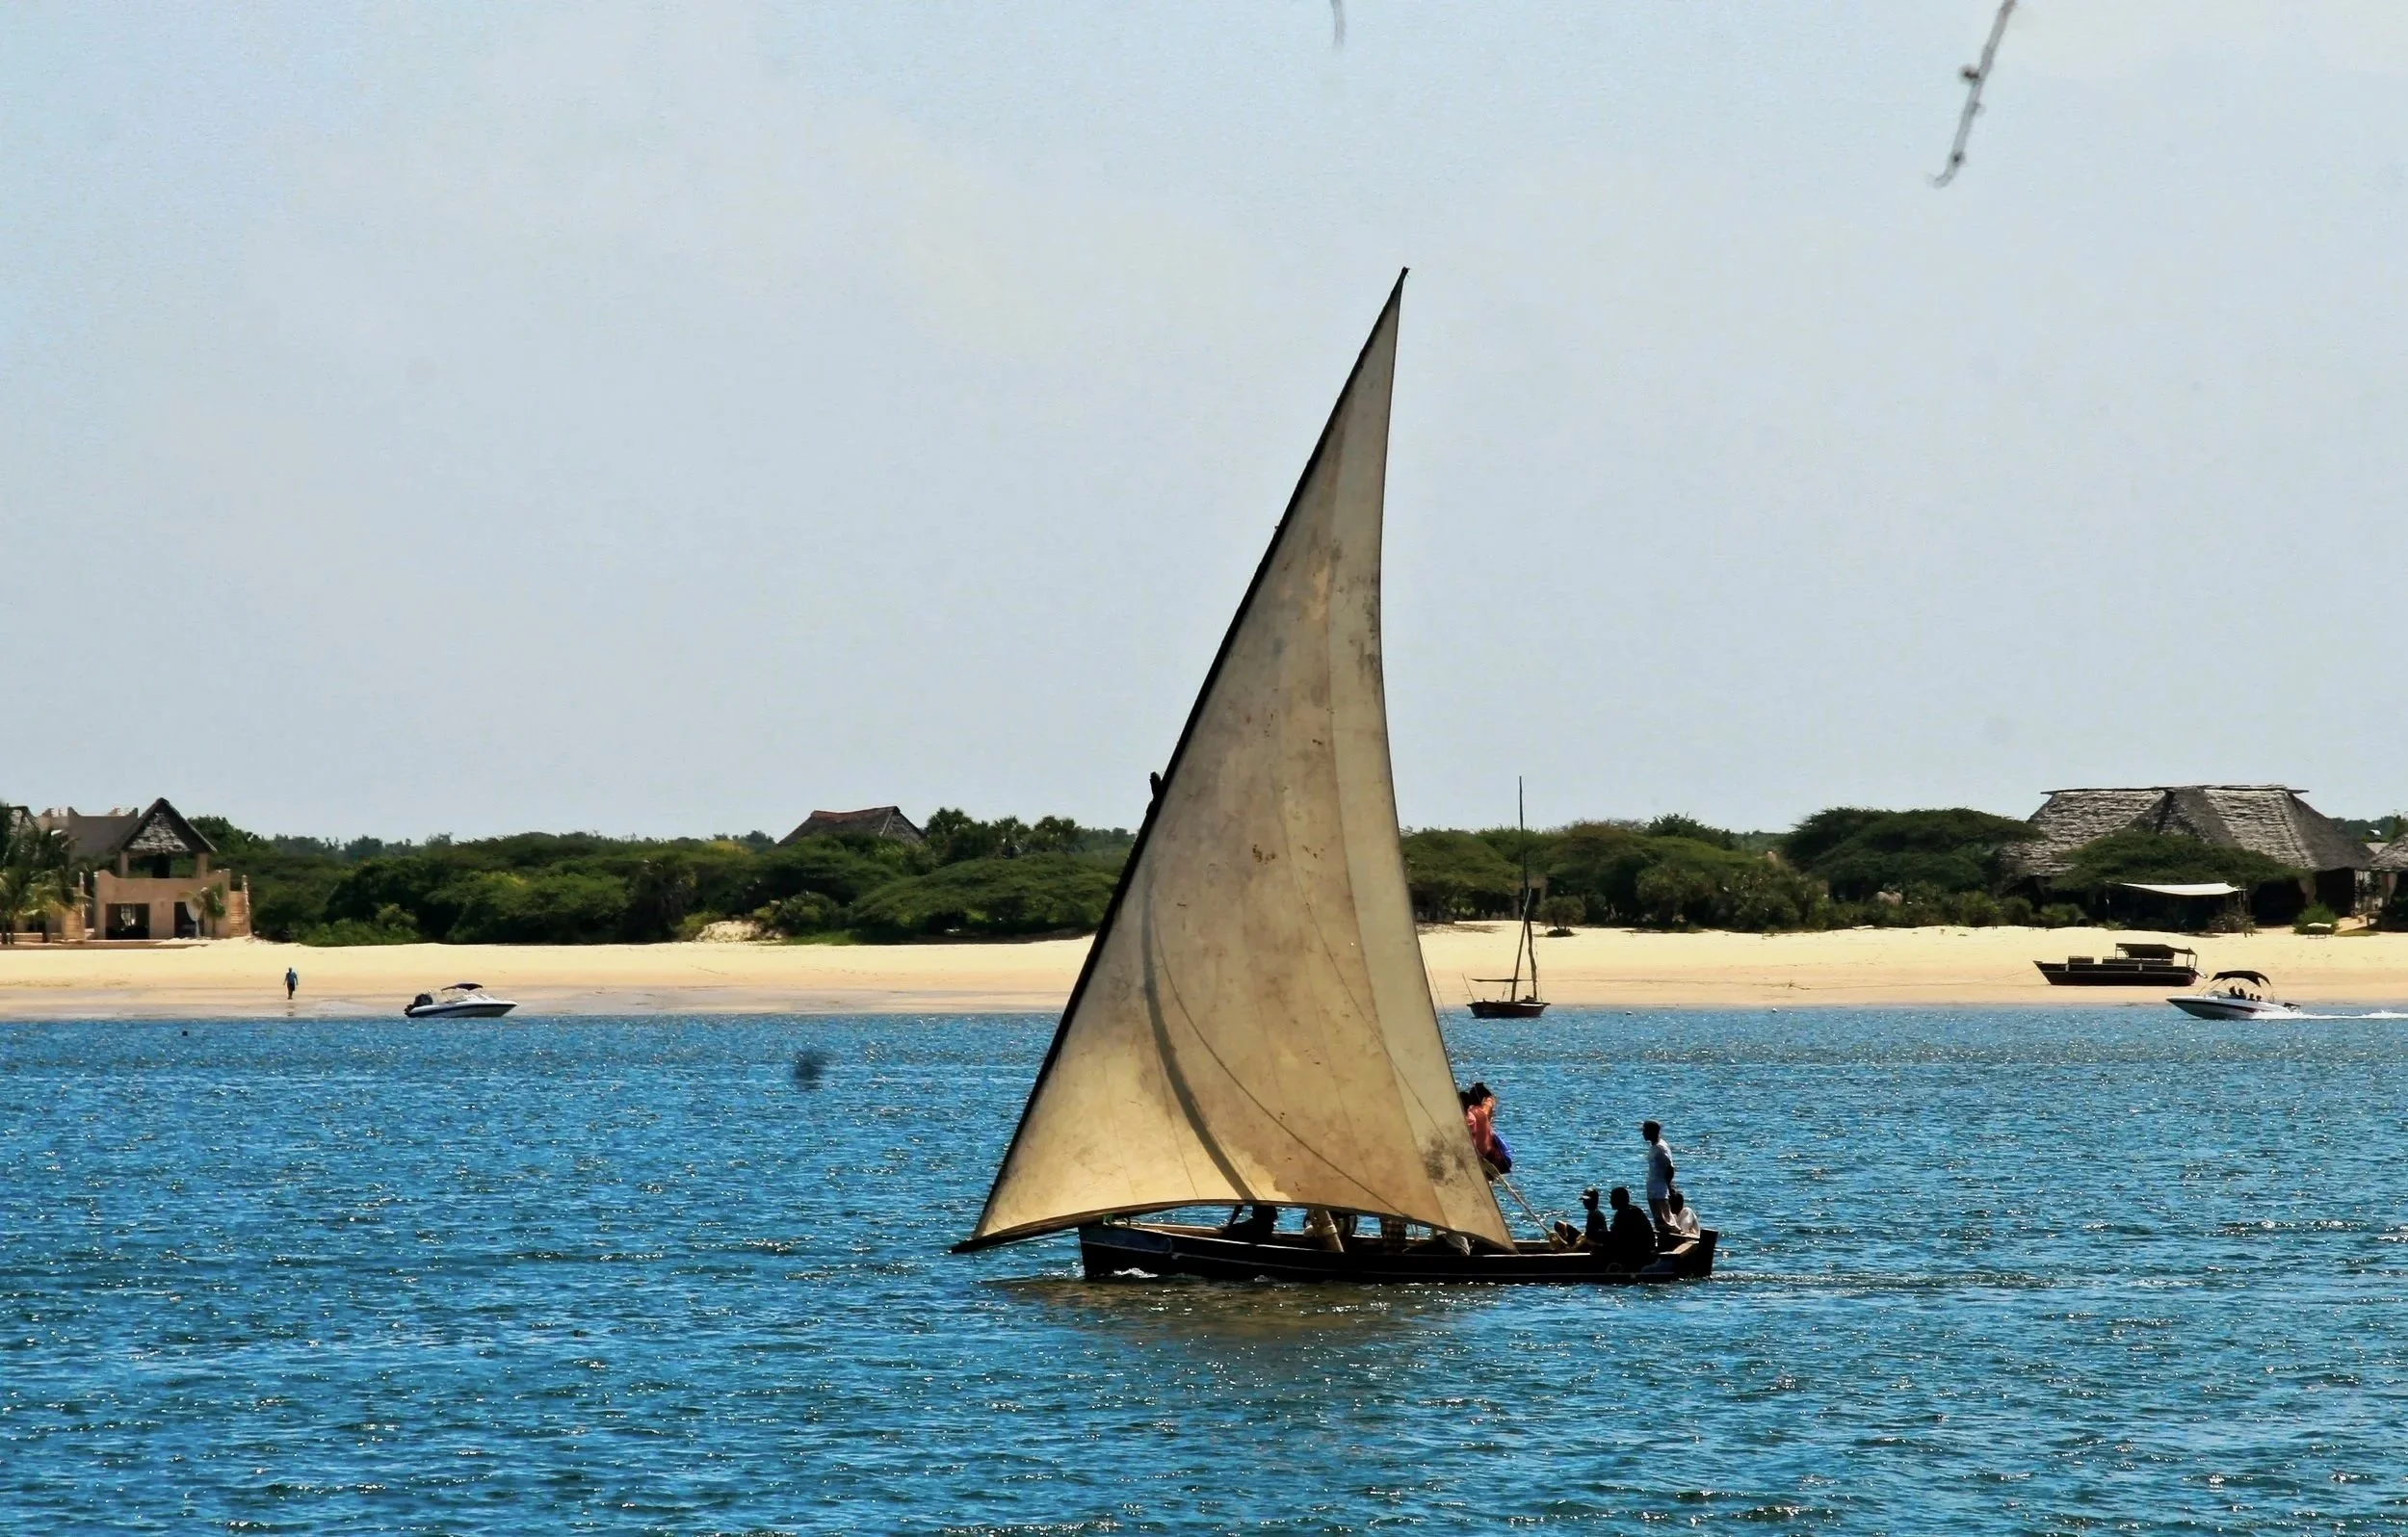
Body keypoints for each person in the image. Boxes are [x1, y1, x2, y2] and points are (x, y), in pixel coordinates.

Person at [1603, 1185, 1658, 1268]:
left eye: (1612, 1198)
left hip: (1636, 1253)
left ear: (1618, 1200)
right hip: (1643, 1250)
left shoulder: (1623, 1214)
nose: (1610, 1201)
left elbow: (1618, 1237)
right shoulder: (1635, 1211)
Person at [1462, 1083, 1508, 1179]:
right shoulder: (1482, 1111)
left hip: (1481, 1157)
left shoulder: (1471, 1115)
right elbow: (1490, 1102)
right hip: (1489, 1156)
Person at [1642, 1120, 1676, 1230]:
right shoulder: (1654, 1146)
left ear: (1652, 1131)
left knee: (1664, 1222)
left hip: (1659, 1191)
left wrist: (1669, 1186)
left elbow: (1669, 1168)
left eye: (1645, 1130)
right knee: (1658, 1221)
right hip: (1653, 1190)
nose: (1643, 1133)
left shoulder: (1660, 1148)